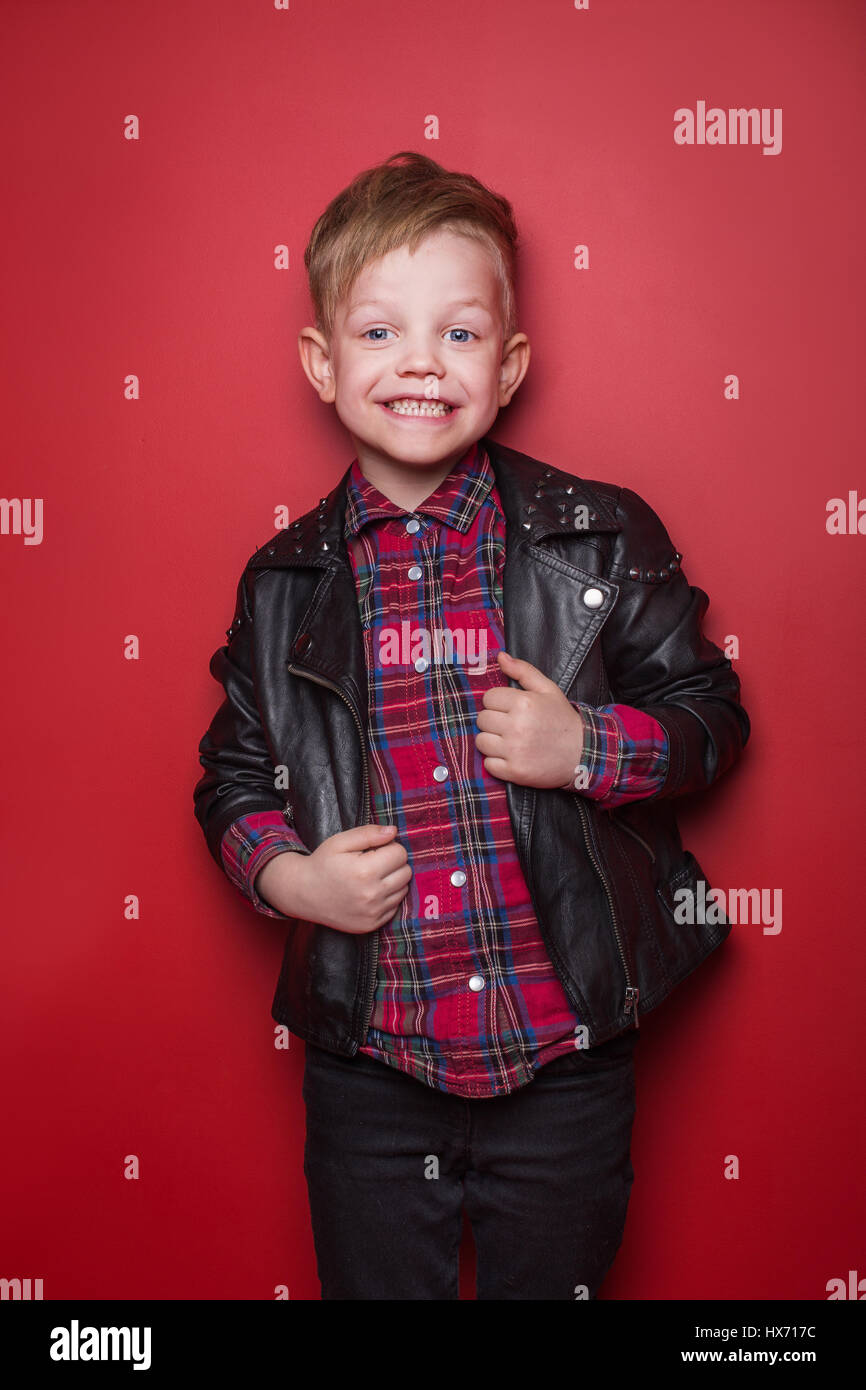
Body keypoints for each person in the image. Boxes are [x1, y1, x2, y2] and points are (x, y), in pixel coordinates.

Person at [193, 150, 750, 1300]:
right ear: (321, 362)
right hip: (373, 1067)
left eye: (457, 334)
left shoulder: (597, 535)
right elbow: (230, 778)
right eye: (378, 332)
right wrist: (290, 883)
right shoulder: (280, 584)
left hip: (563, 1057)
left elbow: (712, 717)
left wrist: (584, 750)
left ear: (507, 366)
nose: (418, 366)